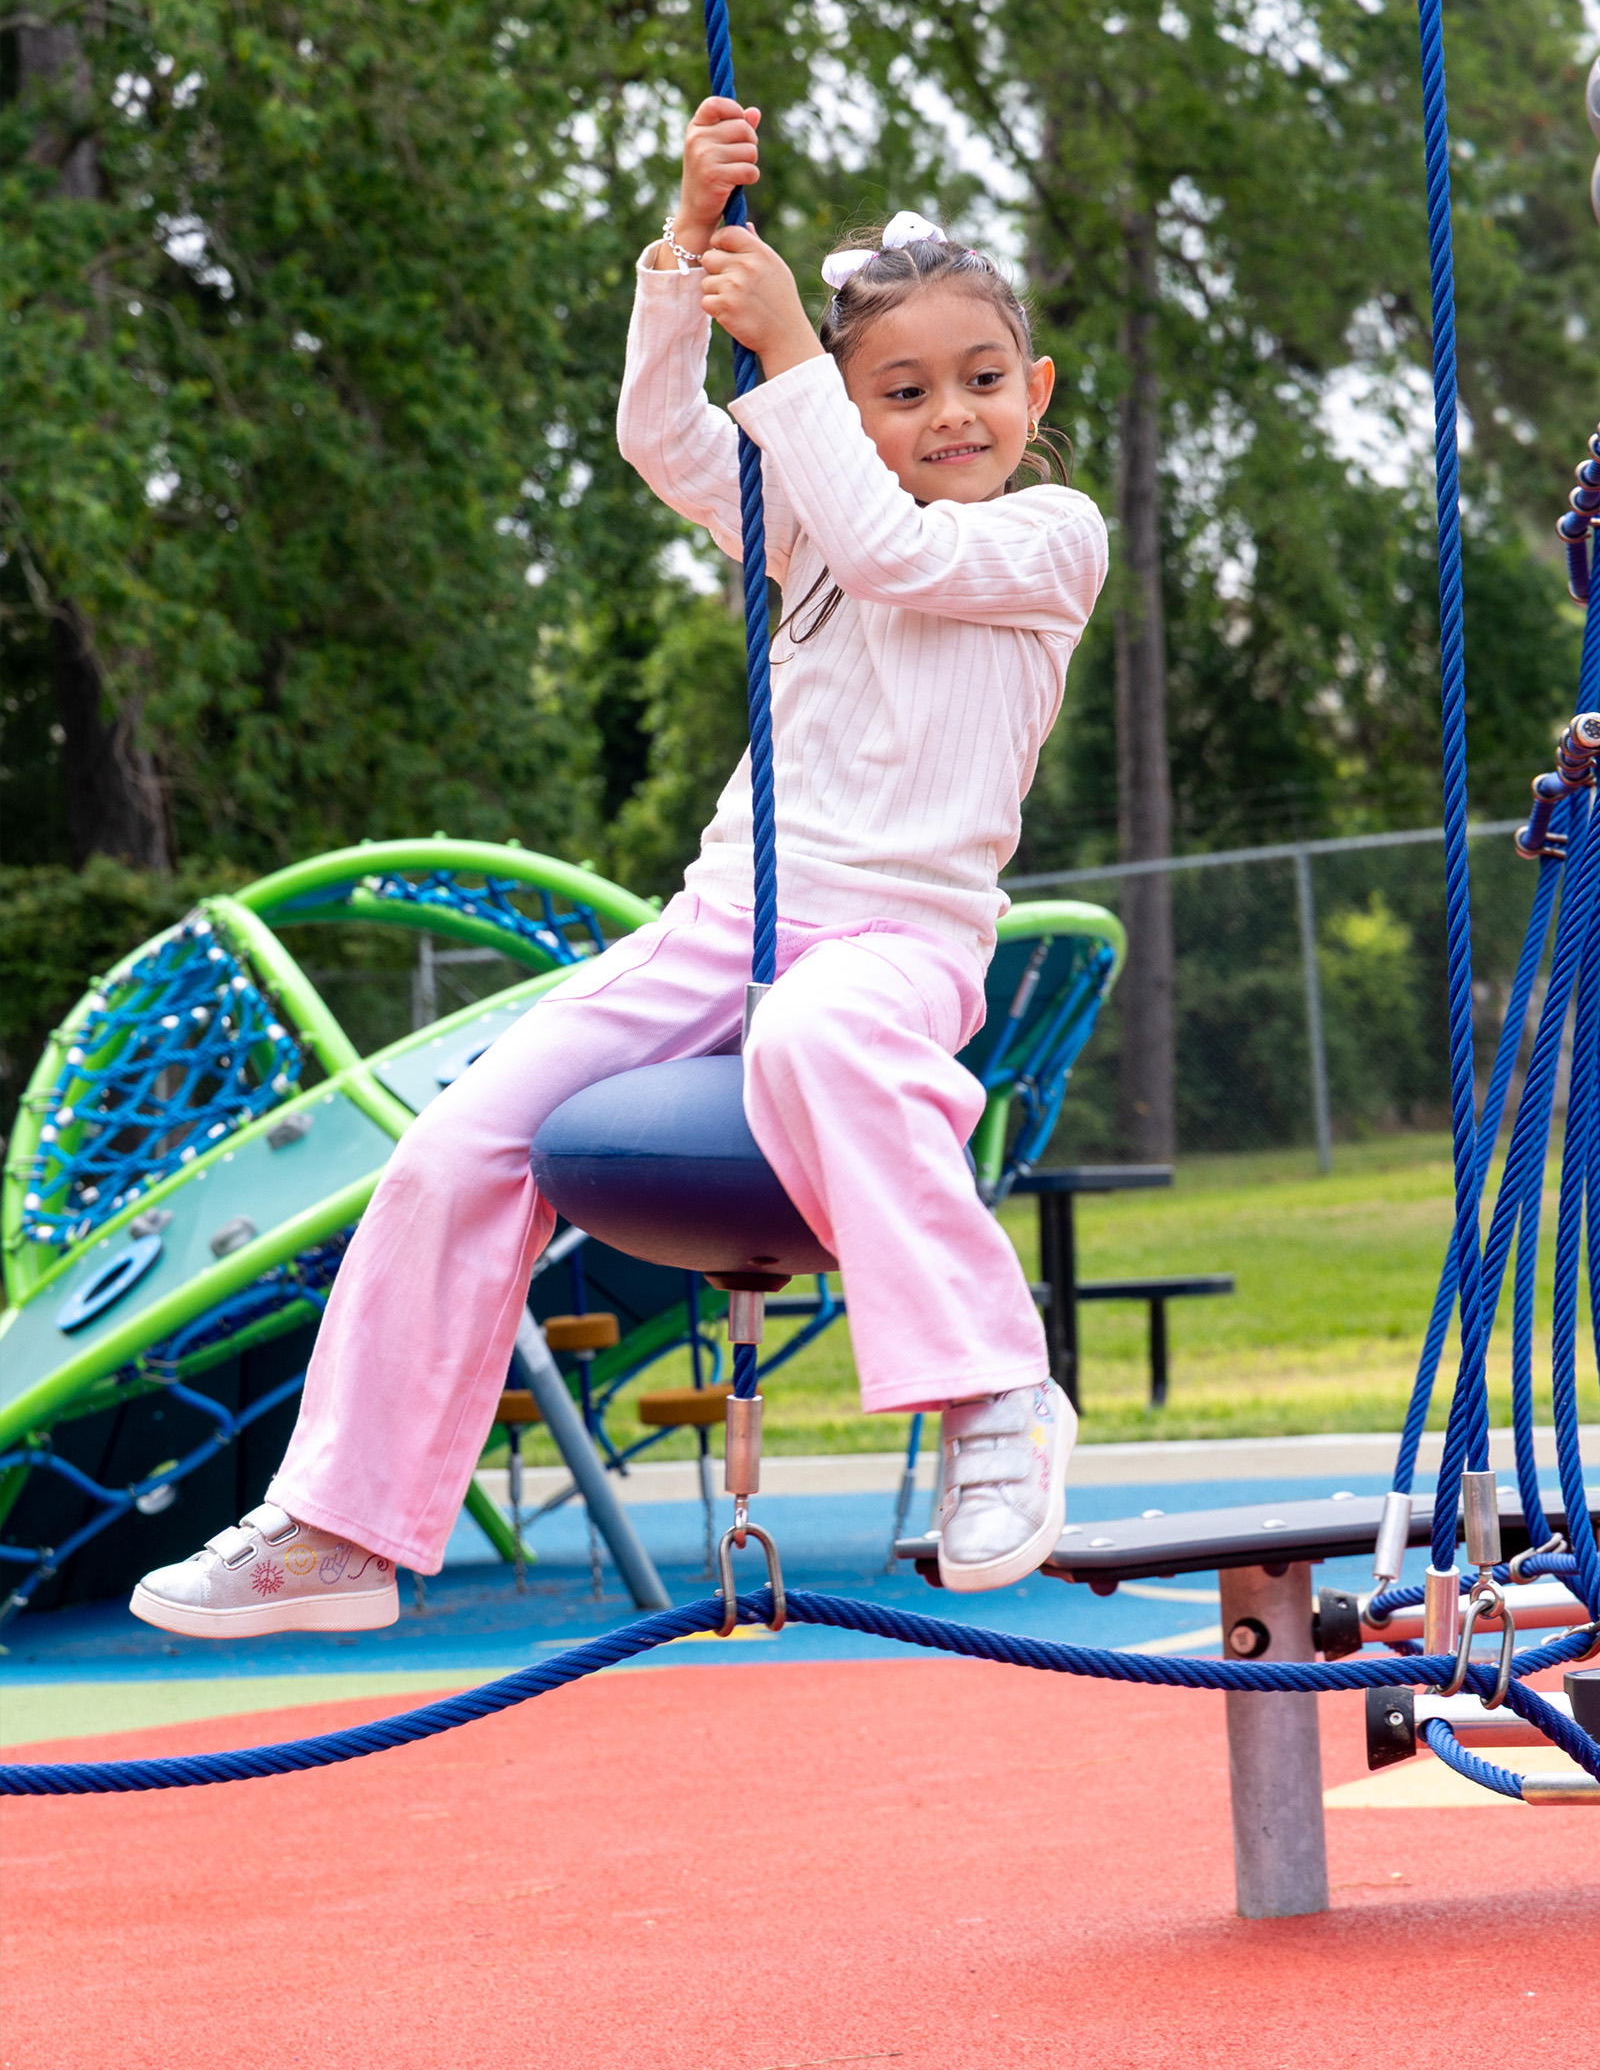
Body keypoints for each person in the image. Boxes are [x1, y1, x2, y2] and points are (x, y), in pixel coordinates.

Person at [130, 95, 1108, 1640]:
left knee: (818, 1038)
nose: (954, 416)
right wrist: (684, 248)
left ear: (1034, 388)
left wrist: (794, 360)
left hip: (899, 943)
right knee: (458, 1144)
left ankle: (996, 1396)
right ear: (849, 419)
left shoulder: (1046, 540)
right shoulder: (807, 517)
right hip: (724, 922)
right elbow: (663, 439)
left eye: (983, 381)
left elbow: (898, 553)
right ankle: (344, 1526)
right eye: (904, 391)